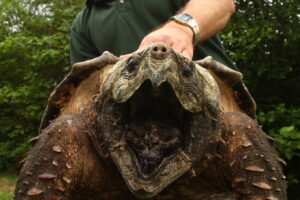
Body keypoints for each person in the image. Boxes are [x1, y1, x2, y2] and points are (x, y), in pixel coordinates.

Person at [70, 0, 237, 70]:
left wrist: (181, 29)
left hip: (215, 102)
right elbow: (87, 89)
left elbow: (222, 3)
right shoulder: (83, 24)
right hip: (130, 122)